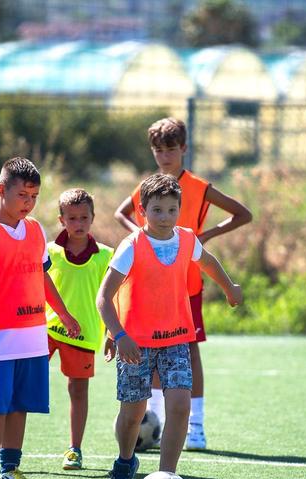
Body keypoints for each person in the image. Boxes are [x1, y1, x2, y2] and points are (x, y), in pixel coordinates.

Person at [98, 173, 242, 479]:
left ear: (180, 211)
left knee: (179, 406)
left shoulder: (187, 239)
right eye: (157, 210)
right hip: (136, 344)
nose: (165, 217)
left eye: (172, 210)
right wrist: (118, 334)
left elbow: (209, 262)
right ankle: (124, 462)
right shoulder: (131, 245)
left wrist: (229, 287)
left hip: (177, 338)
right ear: (142, 211)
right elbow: (104, 297)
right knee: (133, 413)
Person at [114, 117, 251, 450]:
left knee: (187, 349)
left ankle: (197, 426)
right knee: (153, 348)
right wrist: (139, 236)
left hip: (185, 281)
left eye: (171, 149)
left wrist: (208, 235)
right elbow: (122, 213)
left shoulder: (199, 187)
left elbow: (242, 214)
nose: (164, 156)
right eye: (158, 150)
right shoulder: (148, 188)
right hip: (149, 284)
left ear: (184, 149)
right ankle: (155, 419)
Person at [0, 157, 80, 479]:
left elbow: (42, 277)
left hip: (33, 337)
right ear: (1, 190)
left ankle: (10, 468)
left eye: (34, 196)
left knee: (19, 405)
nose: (28, 202)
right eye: (22, 195)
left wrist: (64, 314)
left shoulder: (37, 231)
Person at [46, 188, 113, 470]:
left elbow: (114, 296)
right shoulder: (49, 251)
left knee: (78, 390)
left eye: (84, 217)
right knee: (22, 385)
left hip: (84, 333)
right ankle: (8, 449)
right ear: (62, 220)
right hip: (46, 329)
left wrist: (112, 332)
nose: (78, 223)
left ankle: (74, 449)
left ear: (93, 218)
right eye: (72, 218)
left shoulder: (105, 256)